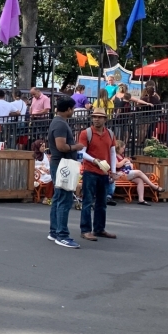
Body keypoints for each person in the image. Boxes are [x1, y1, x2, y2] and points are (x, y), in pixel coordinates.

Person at [47, 97, 85, 248]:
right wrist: (76, 147)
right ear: (68, 109)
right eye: (73, 108)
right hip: (63, 164)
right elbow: (61, 146)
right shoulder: (60, 124)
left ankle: (54, 231)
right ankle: (62, 234)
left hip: (59, 163)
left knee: (58, 197)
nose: (73, 111)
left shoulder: (57, 122)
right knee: (64, 198)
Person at [77, 109, 117, 242]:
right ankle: (86, 230)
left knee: (102, 202)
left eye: (99, 117)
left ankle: (99, 229)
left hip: (104, 172)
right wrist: (94, 160)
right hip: (90, 171)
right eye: (94, 117)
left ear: (105, 119)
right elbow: (81, 152)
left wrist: (113, 171)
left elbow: (112, 153)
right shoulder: (86, 133)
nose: (96, 119)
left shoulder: (110, 134)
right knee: (88, 201)